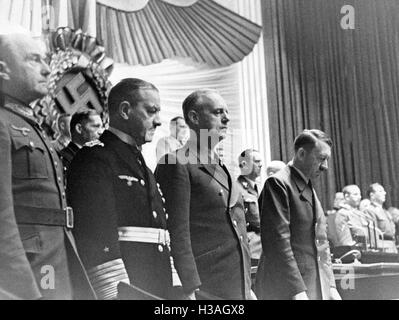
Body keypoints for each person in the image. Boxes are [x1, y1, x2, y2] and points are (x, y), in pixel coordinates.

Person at [0, 32, 93, 299]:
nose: (46, 68)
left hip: (55, 257)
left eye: (45, 59)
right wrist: (24, 290)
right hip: (31, 269)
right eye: (33, 60)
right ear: (2, 69)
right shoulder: (3, 123)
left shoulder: (30, 125)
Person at [67, 78, 176, 299]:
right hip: (129, 285)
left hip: (157, 282)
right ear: (125, 110)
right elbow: (96, 235)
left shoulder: (141, 164)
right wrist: (114, 291)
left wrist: (175, 286)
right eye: (151, 111)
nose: (158, 121)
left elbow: (161, 235)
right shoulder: (95, 158)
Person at [155, 89, 253, 300]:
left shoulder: (221, 166)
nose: (227, 118)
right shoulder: (175, 163)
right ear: (194, 117)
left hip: (235, 284)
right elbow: (176, 232)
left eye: (226, 112)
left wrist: (246, 286)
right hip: (204, 287)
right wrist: (187, 288)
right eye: (218, 112)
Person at [255, 129, 341, 300]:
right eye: (321, 159)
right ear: (301, 153)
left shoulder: (306, 184)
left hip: (311, 284)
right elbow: (278, 244)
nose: (325, 167)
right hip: (286, 288)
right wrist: (296, 291)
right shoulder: (278, 183)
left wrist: (330, 285)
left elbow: (321, 242)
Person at [237, 149, 263, 261]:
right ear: (244, 164)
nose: (261, 165)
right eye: (256, 161)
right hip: (252, 249)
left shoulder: (259, 187)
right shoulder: (236, 189)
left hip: (264, 247)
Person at [363, 183, 397, 253]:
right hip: (383, 249)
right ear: (372, 195)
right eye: (380, 191)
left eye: (384, 191)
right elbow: (373, 235)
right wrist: (378, 251)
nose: (384, 193)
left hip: (392, 247)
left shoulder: (385, 211)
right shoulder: (369, 210)